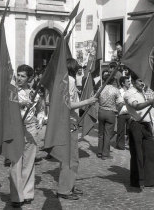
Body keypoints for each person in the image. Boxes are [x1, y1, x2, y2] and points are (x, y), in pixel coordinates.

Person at [56, 58, 98, 200]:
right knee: (71, 158)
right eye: (78, 69)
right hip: (70, 122)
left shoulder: (61, 80)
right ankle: (64, 189)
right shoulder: (70, 81)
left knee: (69, 157)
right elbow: (68, 104)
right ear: (73, 69)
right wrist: (87, 101)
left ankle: (70, 185)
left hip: (66, 122)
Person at [9, 64, 42, 208]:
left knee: (29, 161)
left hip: (30, 129)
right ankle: (16, 195)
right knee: (16, 161)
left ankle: (27, 192)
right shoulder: (12, 91)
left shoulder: (35, 93)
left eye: (23, 76)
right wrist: (21, 103)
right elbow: (8, 106)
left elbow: (40, 110)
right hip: (16, 128)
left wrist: (41, 119)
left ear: (29, 78)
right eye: (19, 75)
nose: (20, 78)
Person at [123, 73, 154, 191]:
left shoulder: (142, 92)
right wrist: (150, 102)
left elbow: (147, 112)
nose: (142, 83)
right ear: (133, 81)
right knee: (138, 154)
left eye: (143, 81)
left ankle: (150, 180)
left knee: (150, 154)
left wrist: (151, 126)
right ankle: (137, 181)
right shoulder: (129, 93)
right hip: (136, 125)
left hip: (146, 125)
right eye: (140, 81)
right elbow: (136, 107)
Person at [97, 69, 123, 159]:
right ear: (112, 81)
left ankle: (99, 152)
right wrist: (117, 110)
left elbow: (95, 98)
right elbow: (121, 102)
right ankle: (105, 154)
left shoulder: (100, 88)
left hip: (101, 111)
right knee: (108, 134)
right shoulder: (115, 90)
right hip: (111, 112)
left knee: (101, 133)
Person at [116, 76, 131, 150]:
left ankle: (129, 144)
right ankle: (120, 145)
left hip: (130, 113)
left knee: (130, 130)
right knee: (120, 130)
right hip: (121, 113)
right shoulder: (119, 91)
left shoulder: (131, 91)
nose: (129, 83)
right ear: (123, 83)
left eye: (129, 81)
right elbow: (118, 102)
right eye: (127, 81)